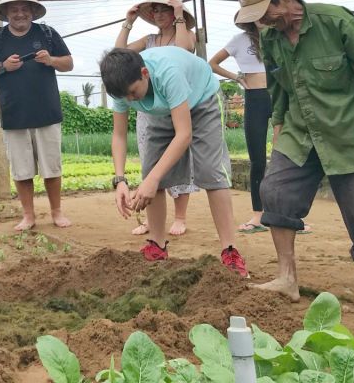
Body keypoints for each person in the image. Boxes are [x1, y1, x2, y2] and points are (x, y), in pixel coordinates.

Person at [234, 0, 354, 306]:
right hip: (302, 130)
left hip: (347, 128)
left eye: (265, 11)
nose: (264, 21)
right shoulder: (270, 39)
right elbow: (280, 86)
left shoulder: (335, 22)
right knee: (274, 189)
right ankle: (287, 277)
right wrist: (279, 123)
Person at [100, 47, 248, 277]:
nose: (129, 100)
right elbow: (119, 136)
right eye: (124, 97)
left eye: (132, 92)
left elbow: (184, 134)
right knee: (151, 171)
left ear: (144, 73)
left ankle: (230, 251)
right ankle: (157, 246)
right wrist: (120, 180)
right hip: (160, 111)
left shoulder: (168, 73)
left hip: (201, 99)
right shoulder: (122, 89)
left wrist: (153, 179)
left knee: (211, 172)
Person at [0, 0, 74, 231]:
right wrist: (2, 66)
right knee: (22, 170)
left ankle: (56, 212)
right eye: (14, 10)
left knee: (52, 166)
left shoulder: (48, 34)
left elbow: (68, 63)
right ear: (7, 14)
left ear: (32, 12)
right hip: (14, 114)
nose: (20, 14)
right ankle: (28, 215)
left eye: (24, 9)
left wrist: (51, 60)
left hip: (47, 113)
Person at [117, 0, 199, 237]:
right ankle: (153, 220)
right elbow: (119, 56)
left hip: (177, 105)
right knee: (150, 163)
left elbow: (184, 49)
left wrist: (180, 16)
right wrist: (127, 23)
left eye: (164, 10)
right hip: (151, 109)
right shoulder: (149, 40)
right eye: (155, 11)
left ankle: (180, 217)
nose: (159, 14)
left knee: (181, 159)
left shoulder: (186, 35)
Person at [209, 18, 271, 234]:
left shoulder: (277, 35)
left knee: (286, 159)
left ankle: (290, 215)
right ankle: (258, 215)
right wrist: (235, 77)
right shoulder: (239, 40)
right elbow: (213, 63)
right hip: (254, 98)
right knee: (257, 160)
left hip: (280, 97)